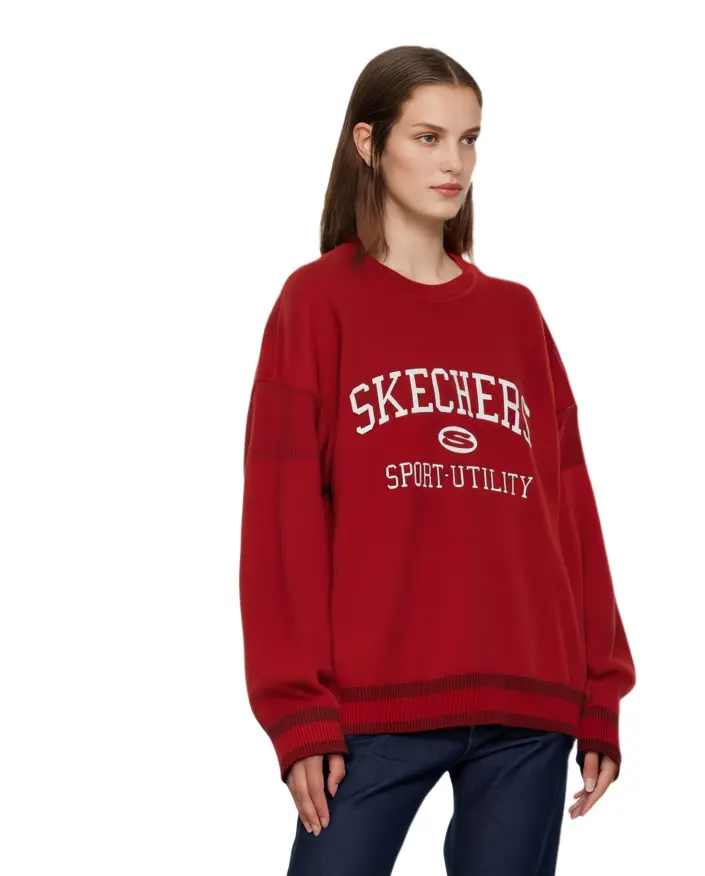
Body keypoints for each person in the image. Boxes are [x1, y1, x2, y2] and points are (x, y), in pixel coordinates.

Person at [238, 44, 636, 876]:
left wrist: (601, 689)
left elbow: (570, 511)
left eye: (469, 139)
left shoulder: (515, 316)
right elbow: (281, 519)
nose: (454, 162)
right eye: (427, 137)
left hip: (528, 697)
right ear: (368, 144)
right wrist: (298, 709)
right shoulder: (317, 304)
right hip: (372, 703)